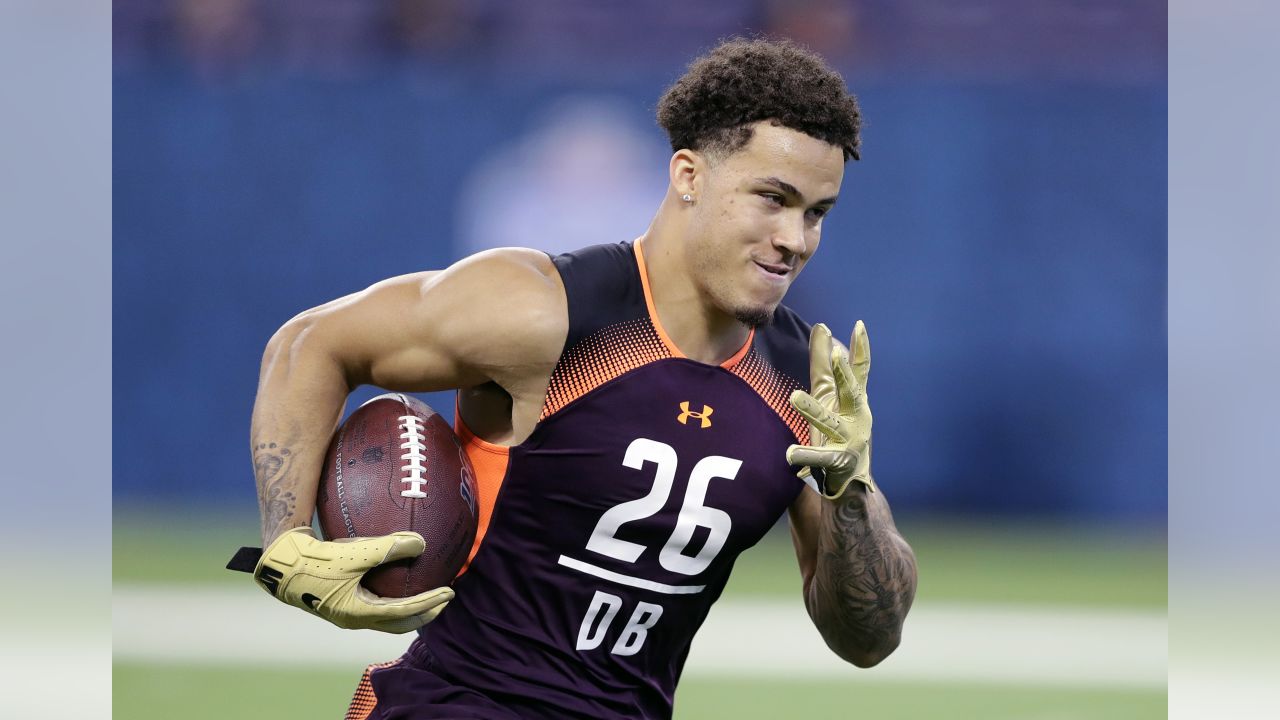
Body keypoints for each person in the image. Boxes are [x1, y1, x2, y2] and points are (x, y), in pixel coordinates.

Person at [233, 38, 917, 719]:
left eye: (816, 213)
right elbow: (312, 343)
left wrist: (851, 491)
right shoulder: (546, 310)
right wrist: (286, 539)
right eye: (773, 198)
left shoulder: (801, 379)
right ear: (688, 176)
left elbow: (868, 640)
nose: (794, 238)